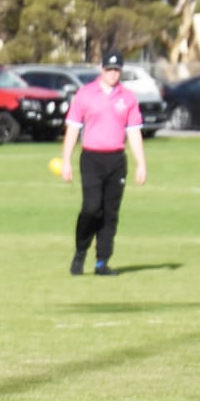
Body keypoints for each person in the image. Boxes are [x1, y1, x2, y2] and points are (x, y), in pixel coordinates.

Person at [59, 52, 147, 277]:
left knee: (110, 213)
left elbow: (134, 132)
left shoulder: (127, 98)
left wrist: (141, 164)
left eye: (117, 70)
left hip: (116, 159)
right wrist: (66, 161)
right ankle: (80, 252)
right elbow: (72, 128)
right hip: (91, 158)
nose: (113, 74)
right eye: (109, 69)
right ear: (101, 69)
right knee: (91, 208)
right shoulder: (85, 94)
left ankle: (102, 262)